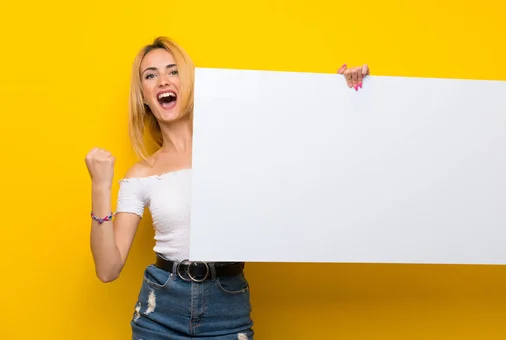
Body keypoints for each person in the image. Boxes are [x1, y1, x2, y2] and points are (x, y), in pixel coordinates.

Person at [84, 36, 370, 339]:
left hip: (227, 308)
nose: (163, 81)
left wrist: (343, 97)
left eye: (173, 71)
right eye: (150, 75)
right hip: (160, 311)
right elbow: (108, 269)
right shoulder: (142, 173)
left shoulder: (236, 148)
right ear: (143, 94)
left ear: (191, 82)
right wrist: (101, 187)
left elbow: (308, 156)